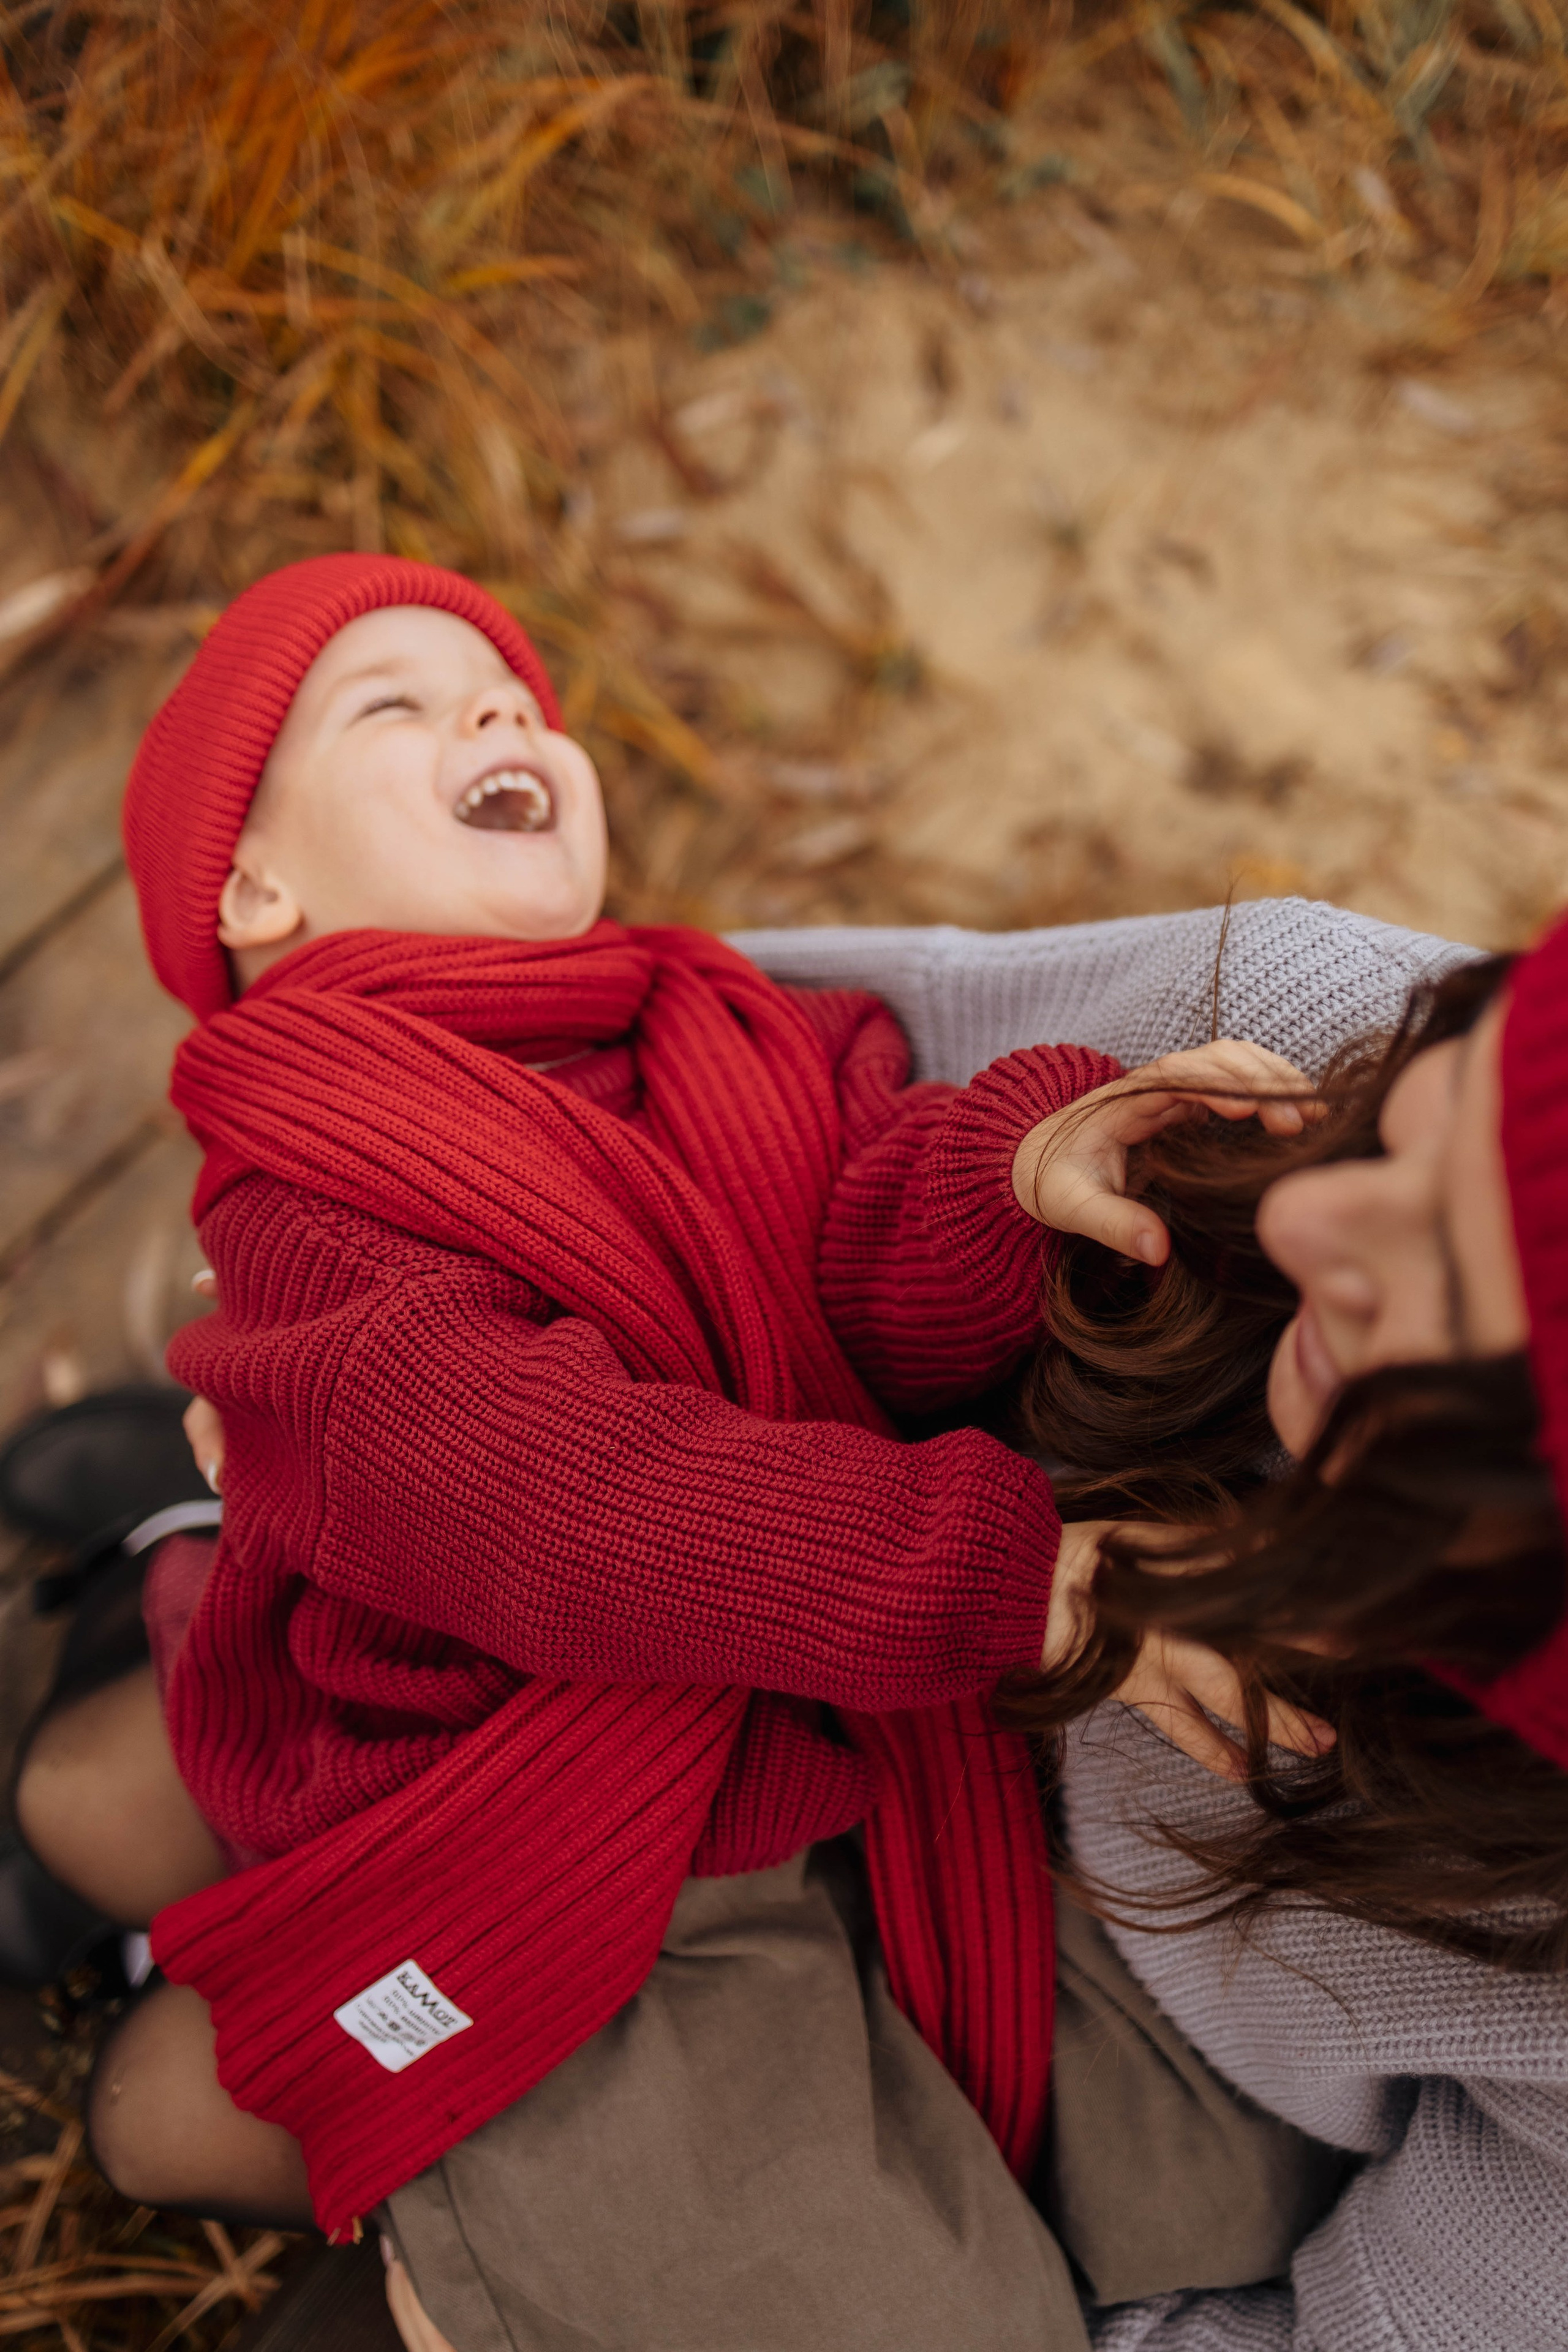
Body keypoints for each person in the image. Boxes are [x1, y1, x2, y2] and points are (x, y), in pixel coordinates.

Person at [13, 552, 1327, 2352]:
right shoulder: (314, 1191)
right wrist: (1009, 1575)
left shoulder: (727, 1028)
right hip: (562, 1810)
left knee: (1216, 2170)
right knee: (855, 2298)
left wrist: (1016, 1174)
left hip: (842, 1728)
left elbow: (861, 1269)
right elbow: (539, 1491)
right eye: (395, 703)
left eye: (512, 696)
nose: (497, 711)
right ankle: (173, 1756)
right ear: (252, 886)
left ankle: (311, 2090)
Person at [1006, 925, 1568, 2350]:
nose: (1303, 1222)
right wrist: (993, 1160)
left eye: (1414, 1298)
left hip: (1069, 2117)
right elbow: (693, 1054)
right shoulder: (1270, 1063)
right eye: (1418, 1138)